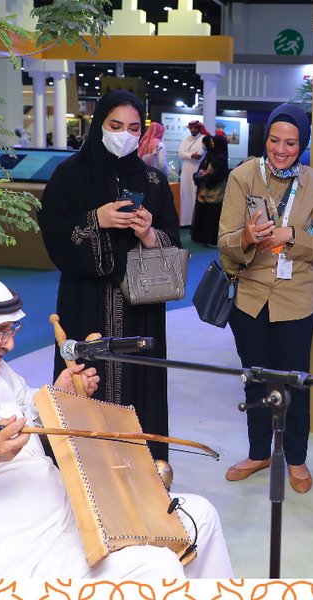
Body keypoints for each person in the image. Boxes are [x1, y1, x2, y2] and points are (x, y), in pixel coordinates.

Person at [0, 270, 234, 579]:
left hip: (72, 518)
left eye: (12, 330)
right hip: (16, 556)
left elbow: (28, 419)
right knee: (156, 565)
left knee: (199, 516)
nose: (9, 345)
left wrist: (56, 396)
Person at [37, 90, 180, 461]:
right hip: (84, 305)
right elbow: (53, 237)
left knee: (140, 388)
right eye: (115, 126)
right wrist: (95, 220)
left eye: (133, 128)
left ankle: (144, 473)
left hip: (140, 310)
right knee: (84, 382)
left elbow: (174, 246)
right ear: (99, 124)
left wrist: (149, 234)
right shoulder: (69, 176)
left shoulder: (153, 182)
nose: (124, 135)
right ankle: (82, 476)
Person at [218, 103, 313, 494]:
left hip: (297, 300)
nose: (281, 150)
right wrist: (246, 237)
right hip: (250, 297)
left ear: (302, 144)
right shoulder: (242, 177)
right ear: (265, 138)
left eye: (291, 143)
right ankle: (258, 453)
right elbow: (224, 243)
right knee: (255, 380)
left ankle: (296, 458)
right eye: (274, 140)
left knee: (294, 383)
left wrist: (293, 237)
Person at [191, 134, 229, 247]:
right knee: (204, 214)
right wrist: (201, 174)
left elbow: (219, 176)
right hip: (205, 190)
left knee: (212, 216)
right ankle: (201, 237)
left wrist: (207, 175)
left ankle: (211, 239)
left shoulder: (220, 159)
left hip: (215, 192)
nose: (211, 144)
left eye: (213, 142)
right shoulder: (210, 155)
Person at [178, 119, 209, 226]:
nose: (193, 129)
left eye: (195, 127)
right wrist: (191, 155)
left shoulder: (203, 139)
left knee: (194, 193)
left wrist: (187, 155)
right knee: (184, 194)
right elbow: (180, 154)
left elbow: (200, 155)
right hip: (185, 171)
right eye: (191, 128)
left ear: (199, 128)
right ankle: (184, 221)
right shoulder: (186, 140)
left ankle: (194, 222)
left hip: (197, 170)